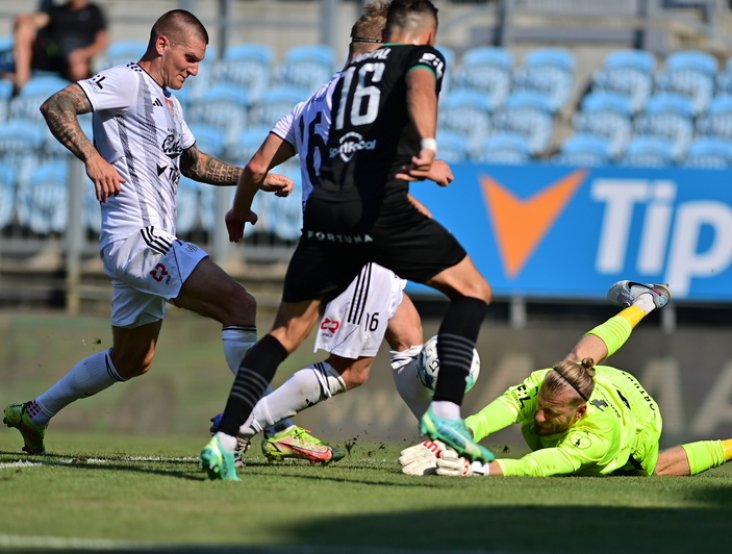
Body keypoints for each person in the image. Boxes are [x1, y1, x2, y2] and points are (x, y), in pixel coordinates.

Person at [201, 0, 494, 481]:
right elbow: (420, 86)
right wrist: (428, 148)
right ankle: (443, 418)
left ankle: (227, 437)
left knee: (401, 332)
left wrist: (238, 208)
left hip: (321, 219)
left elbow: (257, 166)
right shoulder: (408, 62)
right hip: (368, 225)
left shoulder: (318, 96)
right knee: (359, 363)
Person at [2, 9, 292, 455]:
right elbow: (55, 105)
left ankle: (35, 413)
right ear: (162, 44)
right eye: (190, 58)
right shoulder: (127, 81)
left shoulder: (170, 105)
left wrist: (254, 179)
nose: (194, 70)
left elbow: (196, 164)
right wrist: (93, 158)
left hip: (139, 246)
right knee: (240, 304)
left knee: (133, 360)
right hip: (141, 240)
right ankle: (273, 426)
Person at [399, 281, 732, 478]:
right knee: (576, 359)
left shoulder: (597, 436)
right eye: (540, 408)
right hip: (602, 380)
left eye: (551, 415)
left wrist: (479, 470)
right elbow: (499, 413)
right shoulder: (547, 384)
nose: (538, 419)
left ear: (580, 412)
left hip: (638, 418)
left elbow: (542, 463)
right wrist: (451, 438)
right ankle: (646, 300)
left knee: (654, 470)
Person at [7, 0, 108, 92]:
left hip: (77, 58)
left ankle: (80, 95)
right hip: (54, 56)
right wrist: (25, 19)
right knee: (24, 28)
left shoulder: (93, 11)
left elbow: (101, 42)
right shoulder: (57, 11)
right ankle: (21, 78)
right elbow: (39, 20)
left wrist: (83, 54)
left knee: (78, 67)